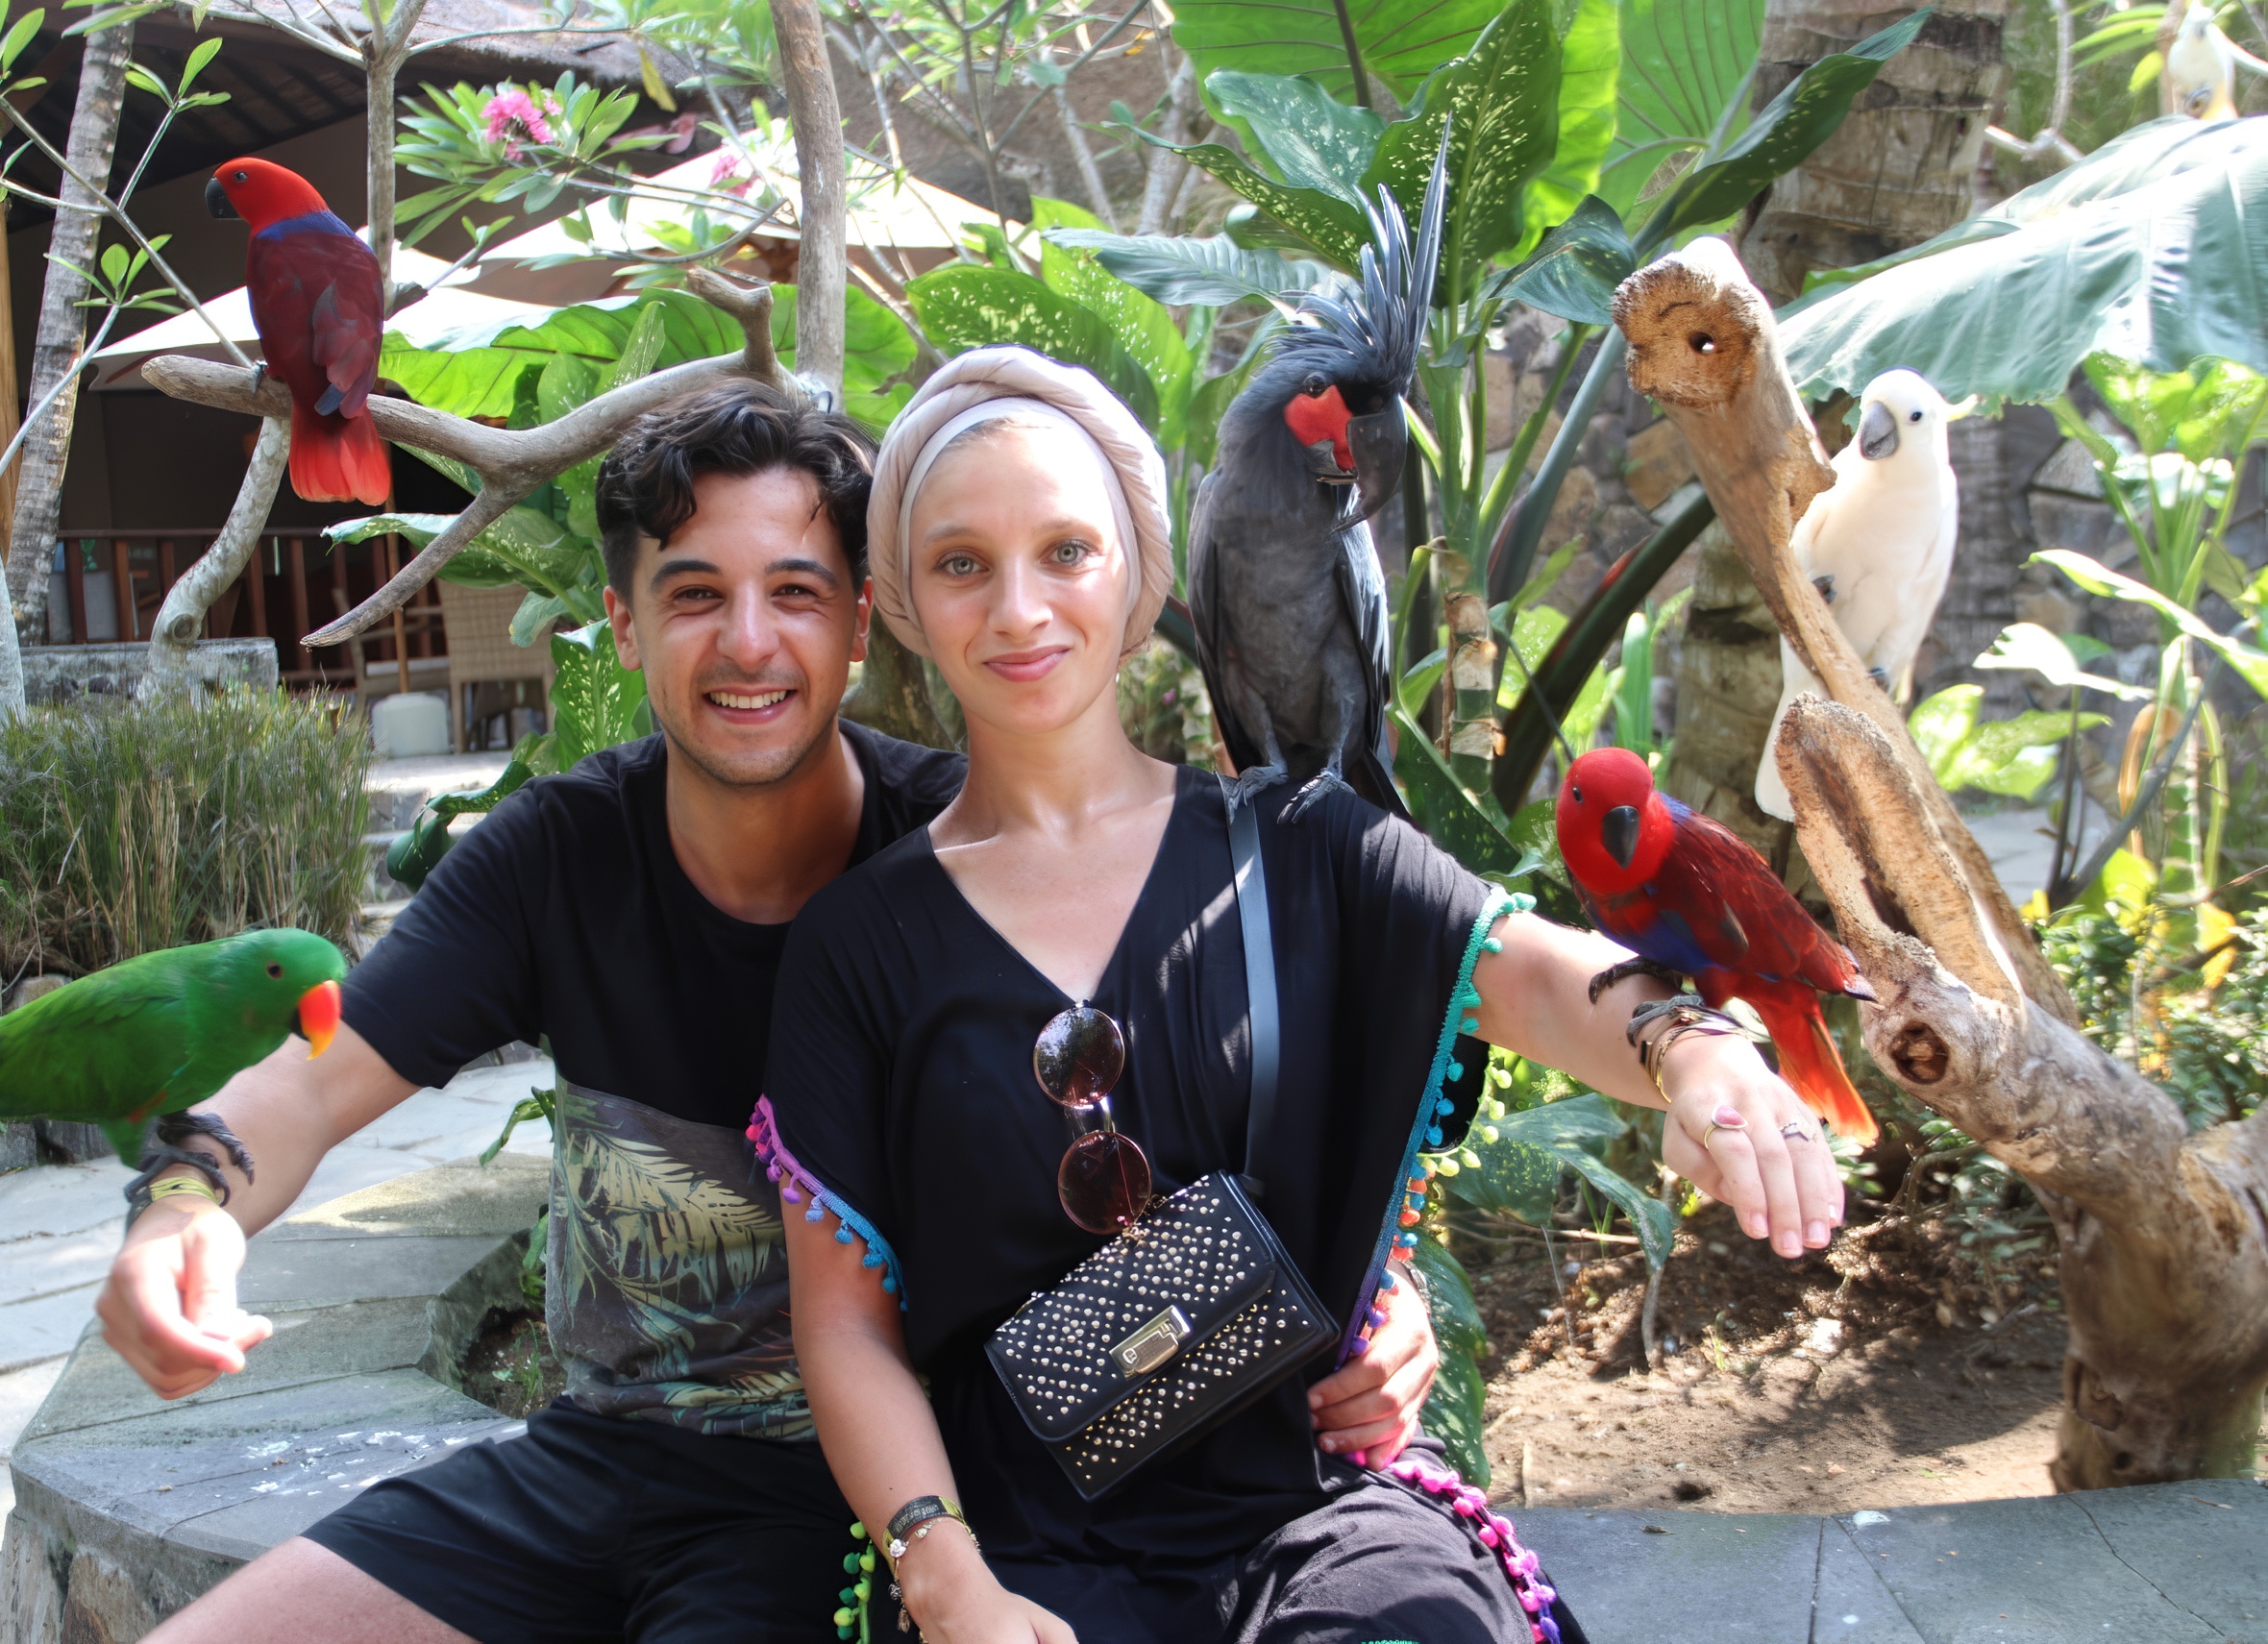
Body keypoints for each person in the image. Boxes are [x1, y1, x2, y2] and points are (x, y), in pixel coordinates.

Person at [97, 379, 1446, 1644]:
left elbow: (1221, 1111)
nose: (749, 642)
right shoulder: (557, 856)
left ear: (863, 619)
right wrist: (182, 1215)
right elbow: (317, 1080)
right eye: (693, 596)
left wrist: (1371, 1300)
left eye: (796, 592)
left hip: (858, 1503)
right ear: (622, 626)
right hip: (596, 1453)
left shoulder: (973, 863)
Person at [760, 348, 1850, 1644]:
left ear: (1139, 571)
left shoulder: (1302, 846)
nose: (1018, 609)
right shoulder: (855, 944)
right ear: (899, 599)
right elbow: (845, 1333)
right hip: (1015, 1545)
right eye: (961, 564)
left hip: (1310, 1500)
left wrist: (1691, 1046)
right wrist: (945, 1578)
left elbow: (1541, 978)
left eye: (1065, 550)